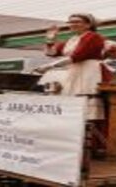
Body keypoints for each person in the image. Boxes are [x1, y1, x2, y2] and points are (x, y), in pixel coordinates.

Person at [34, 13, 108, 153]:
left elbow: (78, 56)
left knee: (88, 106)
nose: (73, 24)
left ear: (88, 24)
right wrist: (50, 39)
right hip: (74, 71)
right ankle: (74, 143)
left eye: (77, 21)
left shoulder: (93, 36)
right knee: (73, 103)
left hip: (88, 72)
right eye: (70, 21)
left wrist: (49, 66)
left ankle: (92, 147)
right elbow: (51, 53)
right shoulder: (72, 39)